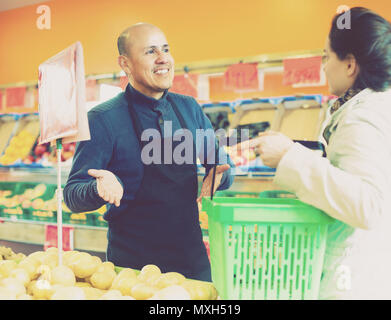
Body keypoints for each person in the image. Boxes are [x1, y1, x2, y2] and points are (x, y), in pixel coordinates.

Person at [63, 23, 234, 282]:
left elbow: (220, 163)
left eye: (165, 49)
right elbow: (72, 195)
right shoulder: (103, 119)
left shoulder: (188, 109)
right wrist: (97, 189)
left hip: (192, 262)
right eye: (150, 51)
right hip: (132, 269)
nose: (163, 58)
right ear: (126, 63)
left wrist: (220, 171)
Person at [244, 7, 391, 299]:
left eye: (326, 57)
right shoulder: (362, 107)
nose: (323, 67)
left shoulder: (363, 116)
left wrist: (289, 157)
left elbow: (369, 205)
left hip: (354, 278)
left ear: (350, 65)